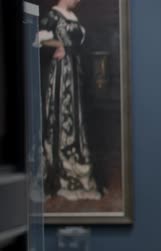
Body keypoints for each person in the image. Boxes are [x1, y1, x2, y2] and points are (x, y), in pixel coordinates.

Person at [36, 0, 102, 201]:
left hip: (75, 74)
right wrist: (59, 45)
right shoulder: (52, 17)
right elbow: (38, 39)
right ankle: (57, 173)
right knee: (60, 117)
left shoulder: (73, 17)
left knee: (76, 116)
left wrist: (68, 48)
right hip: (59, 77)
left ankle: (77, 170)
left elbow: (80, 43)